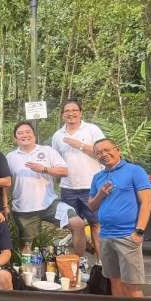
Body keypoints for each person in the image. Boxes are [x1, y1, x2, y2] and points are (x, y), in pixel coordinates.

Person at [88, 138, 151, 301]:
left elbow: (146, 202)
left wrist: (139, 231)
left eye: (107, 150)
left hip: (127, 236)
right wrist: (101, 194)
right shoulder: (98, 177)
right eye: (99, 152)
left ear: (117, 150)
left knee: (132, 284)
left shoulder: (134, 171)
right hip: (106, 236)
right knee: (114, 281)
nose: (103, 154)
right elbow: (91, 206)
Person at [6, 121, 86, 256]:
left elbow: (64, 171)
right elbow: (6, 182)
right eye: (20, 133)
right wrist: (5, 204)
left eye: (28, 132)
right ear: (15, 138)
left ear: (34, 135)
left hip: (49, 203)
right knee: (27, 248)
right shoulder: (10, 157)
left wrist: (44, 169)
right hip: (24, 208)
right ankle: (29, 269)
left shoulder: (47, 151)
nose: (24, 135)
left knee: (77, 223)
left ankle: (77, 262)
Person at [52, 100, 106, 257]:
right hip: (68, 187)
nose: (71, 113)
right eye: (67, 111)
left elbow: (103, 153)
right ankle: (78, 263)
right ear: (62, 115)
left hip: (91, 186)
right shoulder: (58, 135)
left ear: (81, 112)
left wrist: (79, 145)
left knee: (96, 224)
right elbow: (55, 161)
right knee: (75, 226)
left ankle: (101, 263)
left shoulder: (92, 129)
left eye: (74, 110)